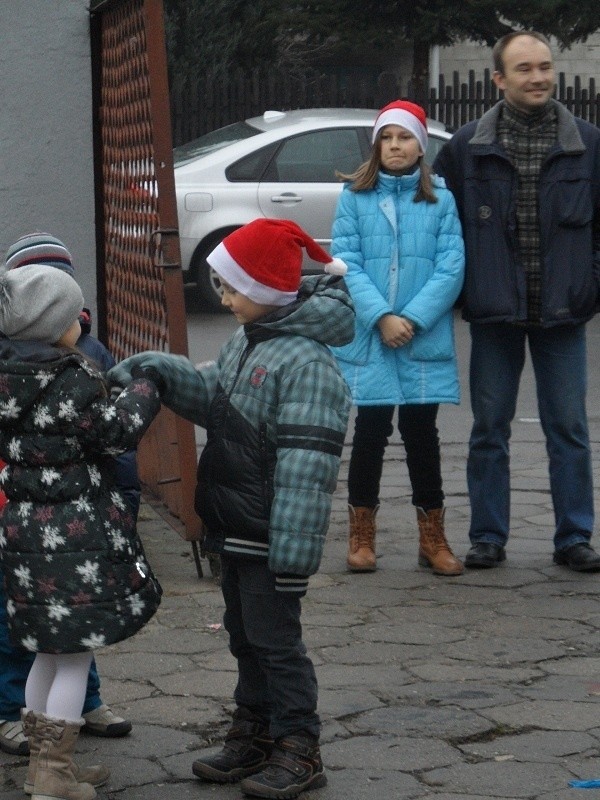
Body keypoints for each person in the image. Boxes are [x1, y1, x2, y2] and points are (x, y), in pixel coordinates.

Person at [108, 218, 354, 800]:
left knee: (276, 643)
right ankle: (256, 732)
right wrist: (163, 372)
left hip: (273, 533)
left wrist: (294, 547)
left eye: (232, 286)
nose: (222, 297)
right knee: (245, 637)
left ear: (268, 288)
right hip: (237, 525)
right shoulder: (250, 339)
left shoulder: (307, 364)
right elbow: (214, 400)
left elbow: (307, 464)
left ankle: (300, 744)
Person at [433, 31, 600, 571]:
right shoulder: (466, 148)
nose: (539, 78)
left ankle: (574, 537)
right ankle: (487, 535)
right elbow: (446, 231)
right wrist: (467, 292)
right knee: (488, 430)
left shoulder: (589, 144)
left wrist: (589, 289)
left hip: (563, 314)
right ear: (499, 79)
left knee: (569, 429)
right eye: (525, 69)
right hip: (495, 313)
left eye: (545, 67)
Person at [0, 264, 162, 799]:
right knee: (72, 654)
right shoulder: (71, 381)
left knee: (47, 650)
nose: (82, 321)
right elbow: (115, 434)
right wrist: (144, 387)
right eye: (75, 316)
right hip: (72, 535)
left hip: (23, 532)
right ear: (53, 324)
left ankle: (45, 767)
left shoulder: (6, 379)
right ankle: (53, 778)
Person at [330, 99, 465, 576]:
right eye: (386, 138)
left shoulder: (441, 199)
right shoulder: (354, 197)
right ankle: (361, 535)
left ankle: (433, 538)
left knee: (421, 436)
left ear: (420, 145)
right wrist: (382, 316)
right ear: (376, 145)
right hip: (371, 337)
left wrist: (411, 318)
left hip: (420, 338)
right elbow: (346, 264)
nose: (395, 146)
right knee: (368, 434)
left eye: (404, 137)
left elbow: (451, 267)